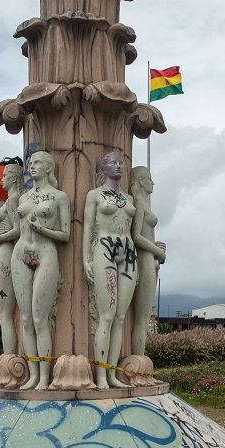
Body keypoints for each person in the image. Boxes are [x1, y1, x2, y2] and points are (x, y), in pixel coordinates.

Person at [10, 151, 70, 389]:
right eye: (30, 163)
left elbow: (65, 234)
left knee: (39, 318)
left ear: (48, 168)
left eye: (37, 164)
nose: (31, 167)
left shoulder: (59, 197)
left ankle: (44, 376)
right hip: (21, 253)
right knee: (26, 320)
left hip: (46, 252)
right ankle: (33, 374)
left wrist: (42, 229)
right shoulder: (24, 197)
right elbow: (17, 229)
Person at [83, 152, 137, 388]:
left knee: (119, 317)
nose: (118, 167)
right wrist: (85, 258)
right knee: (106, 315)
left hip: (128, 251)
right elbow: (87, 227)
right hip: (104, 248)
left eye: (121, 163)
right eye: (113, 163)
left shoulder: (129, 198)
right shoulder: (94, 195)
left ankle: (112, 374)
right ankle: (101, 375)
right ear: (103, 168)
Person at [129, 166, 166, 356]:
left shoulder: (142, 202)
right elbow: (136, 236)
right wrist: (158, 252)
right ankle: (139, 361)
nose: (152, 182)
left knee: (143, 318)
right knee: (142, 318)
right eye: (149, 179)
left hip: (149, 258)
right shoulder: (139, 203)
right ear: (141, 181)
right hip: (144, 258)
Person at [0, 162, 23, 355]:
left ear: (14, 178)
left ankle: (9, 356)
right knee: (5, 313)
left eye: (5, 175)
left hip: (7, 253)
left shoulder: (13, 200)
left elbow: (18, 230)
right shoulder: (10, 200)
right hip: (4, 251)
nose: (1, 179)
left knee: (5, 313)